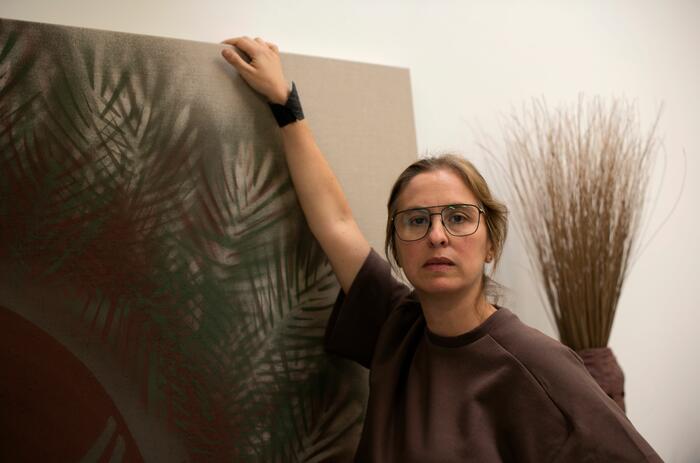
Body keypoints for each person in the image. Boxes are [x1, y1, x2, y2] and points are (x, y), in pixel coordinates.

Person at [221, 37, 662, 462]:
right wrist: (285, 104)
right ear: (397, 248)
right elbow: (335, 223)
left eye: (458, 217)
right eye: (416, 220)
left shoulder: (536, 364)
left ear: (491, 243)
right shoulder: (396, 327)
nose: (436, 235)